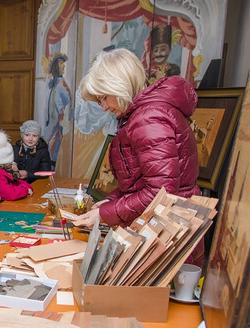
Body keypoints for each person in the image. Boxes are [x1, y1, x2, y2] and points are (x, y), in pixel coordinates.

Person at [74, 48, 200, 234]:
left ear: (119, 86)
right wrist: (112, 201)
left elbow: (160, 193)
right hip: (163, 224)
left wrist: (105, 213)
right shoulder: (145, 115)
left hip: (168, 230)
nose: (103, 107)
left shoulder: (149, 119)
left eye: (104, 98)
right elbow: (140, 182)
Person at [0, 130, 33, 201]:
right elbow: (10, 194)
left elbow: (17, 182)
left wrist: (27, 187)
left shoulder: (4, 172)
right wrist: (25, 190)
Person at [43, 52, 71, 164]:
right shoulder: (51, 82)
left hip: (58, 121)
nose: (63, 66)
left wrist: (63, 118)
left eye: (63, 64)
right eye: (60, 63)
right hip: (50, 121)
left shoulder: (61, 84)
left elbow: (67, 102)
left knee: (55, 144)